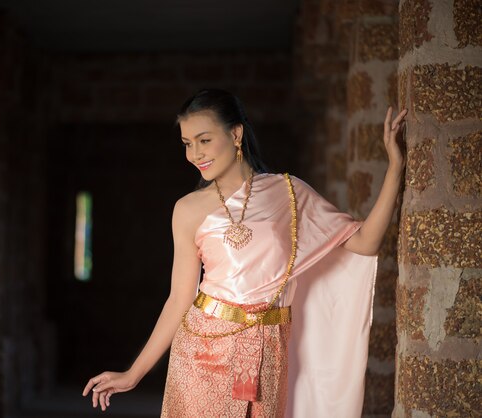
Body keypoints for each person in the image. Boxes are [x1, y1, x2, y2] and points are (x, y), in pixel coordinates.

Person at [82, 89, 407, 417]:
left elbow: (365, 241)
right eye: (187, 143)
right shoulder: (187, 210)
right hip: (203, 355)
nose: (195, 154)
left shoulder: (290, 194)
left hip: (268, 352)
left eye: (204, 140)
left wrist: (394, 167)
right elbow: (179, 298)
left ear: (235, 134)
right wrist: (133, 374)